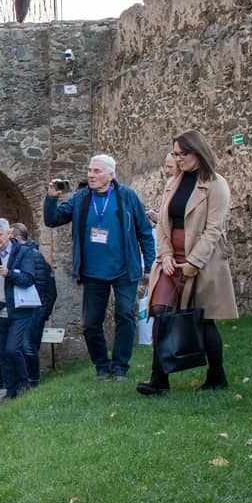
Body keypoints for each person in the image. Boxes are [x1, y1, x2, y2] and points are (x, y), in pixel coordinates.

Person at [138, 131, 238, 395]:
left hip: (202, 258)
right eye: (176, 154)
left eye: (183, 154)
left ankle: (217, 376)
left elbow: (214, 229)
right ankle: (159, 379)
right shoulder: (174, 182)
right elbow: (163, 223)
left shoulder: (216, 184)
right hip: (171, 257)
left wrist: (194, 262)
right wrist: (166, 254)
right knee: (160, 311)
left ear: (198, 152)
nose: (178, 159)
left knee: (203, 319)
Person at [44, 154, 156, 381]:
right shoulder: (81, 198)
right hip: (93, 272)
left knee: (125, 315)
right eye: (89, 170)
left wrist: (149, 265)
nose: (91, 175)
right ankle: (102, 366)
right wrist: (51, 198)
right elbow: (52, 220)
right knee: (91, 323)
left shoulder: (127, 196)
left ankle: (120, 366)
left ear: (111, 175)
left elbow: (144, 231)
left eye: (96, 171)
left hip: (124, 268)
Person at [0, 218, 38, 399]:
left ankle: (24, 382)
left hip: (19, 309)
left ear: (8, 234)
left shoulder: (23, 252)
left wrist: (8, 273)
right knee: (2, 353)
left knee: (13, 348)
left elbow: (28, 279)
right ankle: (10, 391)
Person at [9, 223, 54, 386]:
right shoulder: (21, 254)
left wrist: (41, 311)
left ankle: (33, 380)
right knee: (20, 346)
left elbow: (41, 285)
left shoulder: (32, 255)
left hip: (33, 308)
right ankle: (23, 380)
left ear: (16, 238)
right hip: (24, 308)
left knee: (28, 346)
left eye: (9, 237)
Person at [148, 153, 179, 225]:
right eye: (166, 166)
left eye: (170, 167)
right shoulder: (169, 185)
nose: (166, 170)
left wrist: (159, 218)